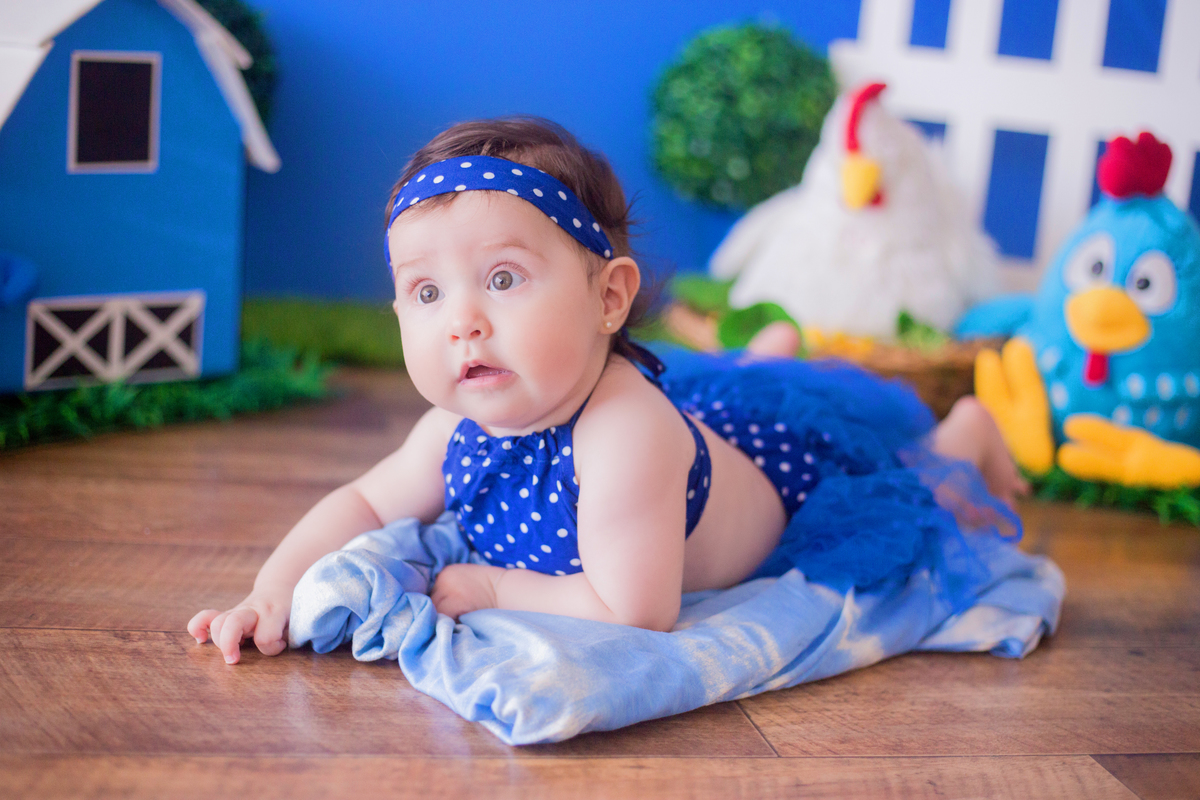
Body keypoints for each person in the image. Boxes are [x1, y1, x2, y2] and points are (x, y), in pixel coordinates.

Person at [189, 118, 1027, 664]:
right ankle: (768, 354)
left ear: (610, 299)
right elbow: (363, 507)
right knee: (745, 384)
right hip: (703, 431)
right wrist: (274, 589)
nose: (461, 324)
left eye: (504, 277)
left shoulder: (623, 433)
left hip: (789, 491)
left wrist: (494, 588)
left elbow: (637, 611)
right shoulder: (454, 422)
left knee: (909, 480)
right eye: (427, 292)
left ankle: (969, 427)